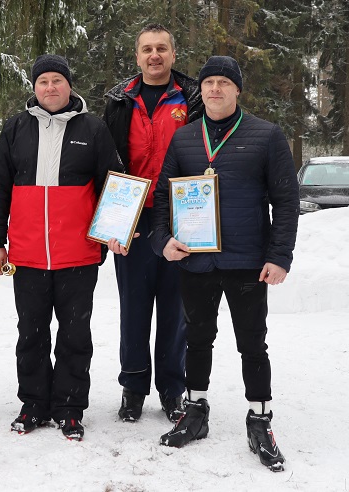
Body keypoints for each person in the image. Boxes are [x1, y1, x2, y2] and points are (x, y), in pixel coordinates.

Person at [150, 56, 298, 472]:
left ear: (237, 90)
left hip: (248, 261)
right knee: (197, 338)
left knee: (252, 343)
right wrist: (163, 241)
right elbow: (163, 197)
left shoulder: (266, 136)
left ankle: (259, 419)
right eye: (209, 82)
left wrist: (279, 256)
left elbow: (286, 202)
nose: (215, 89)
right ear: (202, 90)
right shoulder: (183, 140)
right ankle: (195, 412)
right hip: (195, 260)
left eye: (223, 83)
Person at [0, 55, 123, 441]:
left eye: (57, 80)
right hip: (27, 254)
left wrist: (114, 232)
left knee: (75, 334)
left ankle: (70, 408)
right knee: (30, 332)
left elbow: (113, 185)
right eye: (43, 80)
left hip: (78, 254)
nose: (50, 87)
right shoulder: (15, 129)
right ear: (34, 86)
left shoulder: (93, 129)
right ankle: (33, 404)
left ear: (69, 85)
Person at [102, 23, 203, 424]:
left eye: (162, 48)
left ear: (173, 55)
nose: (154, 55)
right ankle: (133, 387)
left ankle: (172, 389)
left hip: (181, 217)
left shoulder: (192, 98)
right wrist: (110, 221)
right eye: (147, 49)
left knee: (176, 309)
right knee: (134, 307)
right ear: (138, 55)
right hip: (132, 216)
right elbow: (106, 162)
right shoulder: (118, 100)